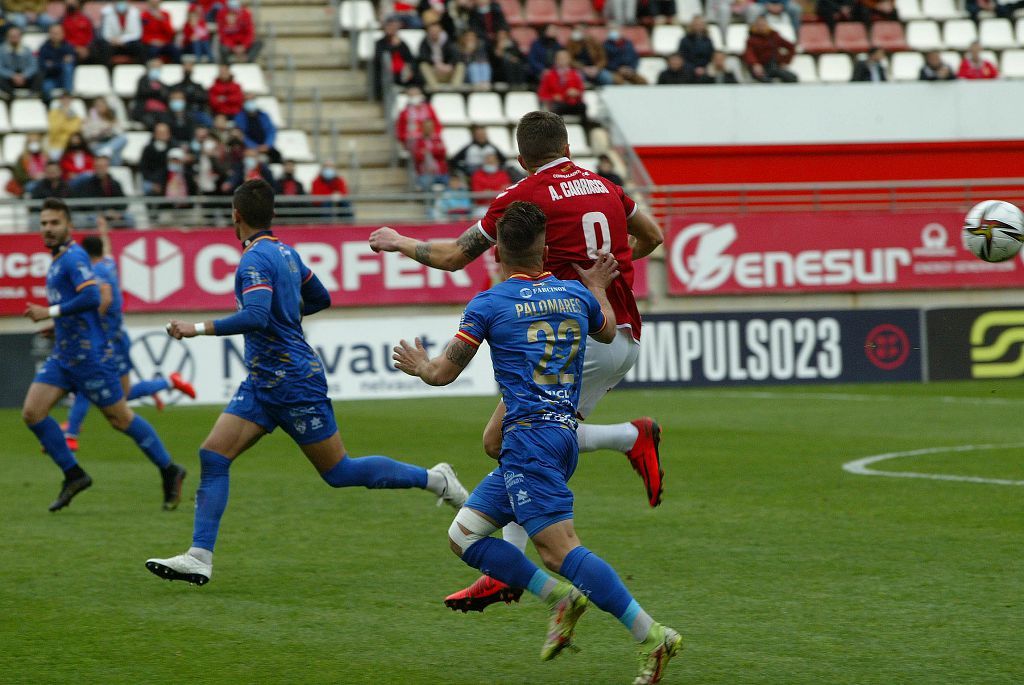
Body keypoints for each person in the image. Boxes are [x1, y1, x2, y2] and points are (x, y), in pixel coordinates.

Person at [369, 110, 666, 611]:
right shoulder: (608, 186)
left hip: (577, 333)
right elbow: (652, 236)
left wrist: (400, 242)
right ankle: (509, 562)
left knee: (520, 438)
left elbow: (453, 257)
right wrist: (615, 268)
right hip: (618, 331)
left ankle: (516, 569)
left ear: (522, 157)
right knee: (499, 440)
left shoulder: (522, 197)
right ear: (568, 145)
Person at [392, 200, 682, 685]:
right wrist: (597, 288)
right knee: (464, 535)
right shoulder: (574, 294)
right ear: (545, 249)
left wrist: (419, 363)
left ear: (498, 253)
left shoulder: (488, 303)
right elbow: (608, 331)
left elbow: (443, 373)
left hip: (529, 440)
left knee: (559, 551)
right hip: (559, 433)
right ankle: (560, 598)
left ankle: (653, 636)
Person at [143, 179, 468, 585]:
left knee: (339, 472)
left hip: (294, 381)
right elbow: (320, 298)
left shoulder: (254, 261)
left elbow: (257, 316)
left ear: (236, 216)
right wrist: (286, 317)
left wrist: (197, 328)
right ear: (272, 214)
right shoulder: (288, 254)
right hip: (264, 381)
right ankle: (199, 556)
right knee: (213, 455)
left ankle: (436, 479)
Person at [21, 198, 188, 512]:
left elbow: (93, 296)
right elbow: (80, 305)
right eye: (43, 223)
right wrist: (57, 326)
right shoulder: (58, 260)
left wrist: (49, 312)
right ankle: (74, 474)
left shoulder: (74, 258)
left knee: (121, 419)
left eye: (54, 223)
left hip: (91, 358)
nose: (48, 229)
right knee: (32, 412)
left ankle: (169, 469)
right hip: (64, 355)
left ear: (68, 225)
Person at [63, 222, 197, 451]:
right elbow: (107, 250)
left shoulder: (97, 271)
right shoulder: (107, 262)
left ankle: (71, 432)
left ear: (85, 254)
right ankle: (168, 382)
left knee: (90, 383)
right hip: (116, 336)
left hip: (108, 340)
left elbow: (104, 298)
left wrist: (90, 323)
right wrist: (103, 229)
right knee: (120, 394)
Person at [69, 155, 133, 228]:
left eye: (103, 166)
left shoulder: (115, 183)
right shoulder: (86, 183)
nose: (100, 169)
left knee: (130, 218)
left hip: (113, 213)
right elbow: (86, 204)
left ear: (107, 167)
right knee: (93, 220)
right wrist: (105, 212)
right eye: (98, 166)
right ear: (94, 167)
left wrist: (117, 212)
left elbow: (122, 201)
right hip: (93, 213)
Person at [743, 15, 797, 83]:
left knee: (791, 78)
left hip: (774, 65)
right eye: (759, 25)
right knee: (764, 79)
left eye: (763, 25)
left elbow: (791, 47)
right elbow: (749, 53)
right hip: (760, 66)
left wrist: (785, 61)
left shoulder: (774, 36)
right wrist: (755, 64)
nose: (761, 27)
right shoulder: (751, 39)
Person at [372, 18, 417, 99]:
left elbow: (409, 58)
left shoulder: (402, 43)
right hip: (387, 72)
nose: (391, 29)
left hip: (402, 72)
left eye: (393, 27)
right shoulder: (380, 43)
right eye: (389, 27)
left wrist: (408, 67)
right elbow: (379, 59)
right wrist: (393, 47)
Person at [537, 50, 587, 122]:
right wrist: (553, 97)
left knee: (583, 107)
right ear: (555, 60)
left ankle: (585, 130)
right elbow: (542, 94)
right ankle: (558, 131)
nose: (562, 61)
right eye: (560, 58)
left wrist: (577, 93)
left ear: (569, 60)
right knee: (556, 108)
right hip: (557, 104)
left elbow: (581, 91)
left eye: (565, 58)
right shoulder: (549, 75)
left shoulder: (575, 74)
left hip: (573, 103)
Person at [234, 95, 280, 163]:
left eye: (251, 100)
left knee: (277, 156)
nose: (250, 103)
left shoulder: (264, 115)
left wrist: (267, 144)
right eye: (247, 101)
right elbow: (242, 136)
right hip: (249, 148)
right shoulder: (239, 118)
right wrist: (255, 147)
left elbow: (271, 131)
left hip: (266, 147)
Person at [83, 96, 128, 165]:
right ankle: (113, 165)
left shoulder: (111, 118)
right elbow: (86, 135)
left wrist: (111, 129)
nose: (100, 107)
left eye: (102, 105)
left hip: (110, 143)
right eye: (97, 105)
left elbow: (119, 132)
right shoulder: (89, 119)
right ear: (94, 107)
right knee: (115, 152)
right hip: (97, 144)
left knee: (123, 138)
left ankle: (108, 150)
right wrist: (100, 132)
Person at [418, 22, 464, 89]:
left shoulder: (448, 41)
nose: (434, 33)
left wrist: (449, 65)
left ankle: (455, 88)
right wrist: (436, 65)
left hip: (448, 71)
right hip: (434, 71)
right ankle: (435, 88)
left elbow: (456, 56)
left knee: (460, 65)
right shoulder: (424, 42)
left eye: (436, 31)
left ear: (440, 31)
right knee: (423, 65)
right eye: (432, 31)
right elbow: (423, 57)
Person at [38, 23, 76, 103]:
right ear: (49, 34)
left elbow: (72, 64)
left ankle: (68, 97)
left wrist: (53, 64)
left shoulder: (68, 47)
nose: (55, 35)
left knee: (68, 68)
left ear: (63, 34)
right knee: (45, 87)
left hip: (64, 78)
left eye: (57, 33)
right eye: (53, 33)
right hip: (51, 78)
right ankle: (50, 107)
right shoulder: (44, 48)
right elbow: (42, 65)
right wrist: (61, 62)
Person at [0, 27, 40, 99]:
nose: (14, 38)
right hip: (9, 79)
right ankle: (12, 96)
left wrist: (24, 75)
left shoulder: (27, 50)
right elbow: (0, 68)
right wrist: (12, 75)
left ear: (20, 37)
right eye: (12, 36)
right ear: (7, 37)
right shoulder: (1, 50)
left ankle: (32, 95)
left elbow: (33, 66)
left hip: (25, 78)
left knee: (39, 74)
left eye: (16, 36)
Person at [132, 59, 171, 129]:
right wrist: (158, 91)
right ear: (148, 69)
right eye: (154, 67)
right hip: (145, 112)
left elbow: (166, 95)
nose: (157, 70)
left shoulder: (162, 84)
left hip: (160, 113)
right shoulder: (142, 81)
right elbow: (144, 92)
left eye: (159, 68)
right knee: (151, 122)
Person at [411, 118, 448, 190]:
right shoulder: (418, 141)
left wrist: (429, 151)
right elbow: (417, 157)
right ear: (422, 128)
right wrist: (435, 150)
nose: (428, 129)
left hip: (441, 172)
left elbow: (443, 153)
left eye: (430, 127)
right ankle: (430, 201)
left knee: (451, 185)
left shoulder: (438, 139)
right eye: (426, 127)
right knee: (426, 184)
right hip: (425, 173)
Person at [140, 122, 172, 195]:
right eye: (159, 133)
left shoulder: (174, 148)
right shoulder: (148, 149)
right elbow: (143, 168)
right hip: (151, 181)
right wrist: (154, 183)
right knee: (147, 186)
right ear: (154, 134)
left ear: (169, 134)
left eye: (164, 132)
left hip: (169, 180)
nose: (162, 135)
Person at [679, 16, 713, 80]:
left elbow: (711, 56)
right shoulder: (685, 40)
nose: (698, 26)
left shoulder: (708, 40)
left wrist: (704, 68)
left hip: (705, 68)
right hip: (689, 68)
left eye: (700, 24)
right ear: (691, 25)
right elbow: (683, 57)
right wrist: (694, 68)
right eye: (696, 24)